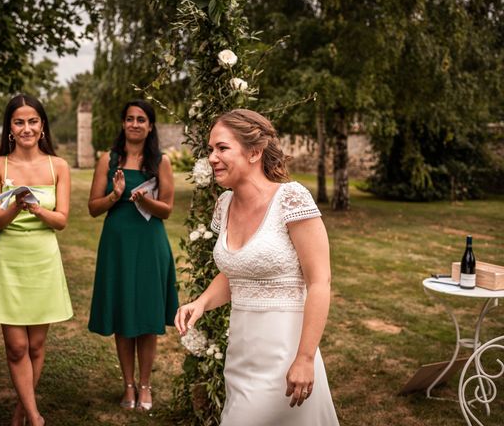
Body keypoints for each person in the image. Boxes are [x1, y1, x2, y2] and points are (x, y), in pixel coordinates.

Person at [175, 109, 339, 425]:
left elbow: (320, 281)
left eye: (222, 148)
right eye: (210, 149)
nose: (211, 157)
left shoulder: (291, 198)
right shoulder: (224, 204)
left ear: (254, 152)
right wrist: (201, 303)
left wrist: (305, 359)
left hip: (286, 355)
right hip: (241, 356)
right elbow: (237, 271)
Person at [0, 94, 73, 426]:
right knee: (17, 347)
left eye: (33, 121)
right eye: (19, 122)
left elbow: (61, 220)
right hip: (10, 257)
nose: (27, 128)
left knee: (36, 345)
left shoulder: (57, 165)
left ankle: (21, 412)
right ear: (10, 128)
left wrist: (37, 208)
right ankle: (35, 417)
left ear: (42, 125)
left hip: (43, 257)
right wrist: (16, 205)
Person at [87, 99, 179, 411]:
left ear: (150, 126)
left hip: (149, 241)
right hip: (118, 242)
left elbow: (166, 210)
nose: (135, 124)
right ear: (123, 123)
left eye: (141, 119)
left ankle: (145, 384)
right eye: (130, 119)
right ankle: (127, 384)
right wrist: (116, 194)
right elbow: (92, 208)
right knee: (124, 312)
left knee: (147, 314)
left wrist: (146, 201)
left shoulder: (160, 162)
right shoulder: (108, 159)